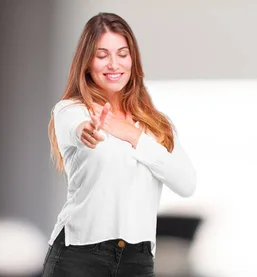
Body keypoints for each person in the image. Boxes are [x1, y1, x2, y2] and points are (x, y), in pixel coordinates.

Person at [43, 12, 197, 277]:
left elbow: (186, 183)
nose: (114, 64)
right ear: (87, 62)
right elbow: (79, 130)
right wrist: (87, 131)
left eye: (122, 54)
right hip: (79, 257)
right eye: (102, 55)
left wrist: (134, 136)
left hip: (137, 261)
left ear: (132, 59)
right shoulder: (73, 111)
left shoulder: (157, 125)